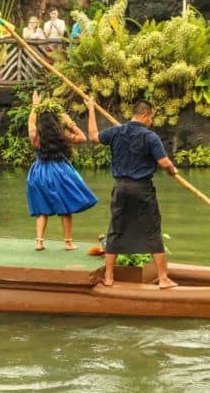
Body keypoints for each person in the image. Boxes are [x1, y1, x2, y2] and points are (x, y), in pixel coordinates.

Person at [86, 98, 178, 289]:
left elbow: (93, 136)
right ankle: (163, 278)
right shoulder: (150, 137)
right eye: (151, 117)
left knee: (115, 229)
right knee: (152, 231)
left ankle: (109, 276)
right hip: (142, 189)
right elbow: (164, 163)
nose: (151, 121)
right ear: (144, 114)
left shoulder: (116, 132)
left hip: (121, 188)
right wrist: (173, 171)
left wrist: (91, 110)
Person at [27, 92, 97, 251]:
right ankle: (68, 242)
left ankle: (39, 242)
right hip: (59, 172)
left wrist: (35, 105)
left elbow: (31, 121)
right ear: (56, 122)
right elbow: (82, 137)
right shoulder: (63, 135)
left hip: (38, 173)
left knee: (41, 209)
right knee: (65, 208)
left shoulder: (35, 136)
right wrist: (68, 121)